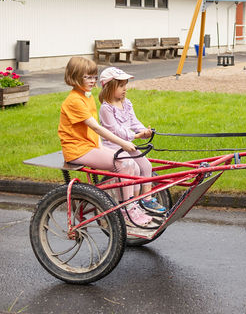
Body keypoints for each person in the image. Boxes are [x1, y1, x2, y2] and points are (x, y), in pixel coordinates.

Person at [57, 57, 160, 228]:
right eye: (87, 77)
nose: (92, 81)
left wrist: (105, 146)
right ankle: (126, 210)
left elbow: (93, 131)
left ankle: (131, 204)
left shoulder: (85, 96)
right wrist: (124, 143)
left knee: (131, 165)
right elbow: (97, 128)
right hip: (77, 150)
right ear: (75, 77)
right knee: (124, 162)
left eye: (94, 77)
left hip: (89, 146)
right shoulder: (74, 100)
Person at [97, 66, 166, 214]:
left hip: (128, 144)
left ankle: (146, 199)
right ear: (109, 88)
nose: (125, 89)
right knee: (133, 167)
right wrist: (135, 136)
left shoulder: (126, 103)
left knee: (146, 165)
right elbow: (115, 130)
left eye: (125, 85)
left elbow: (133, 121)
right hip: (113, 146)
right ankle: (133, 203)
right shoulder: (106, 108)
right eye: (121, 86)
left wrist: (143, 131)